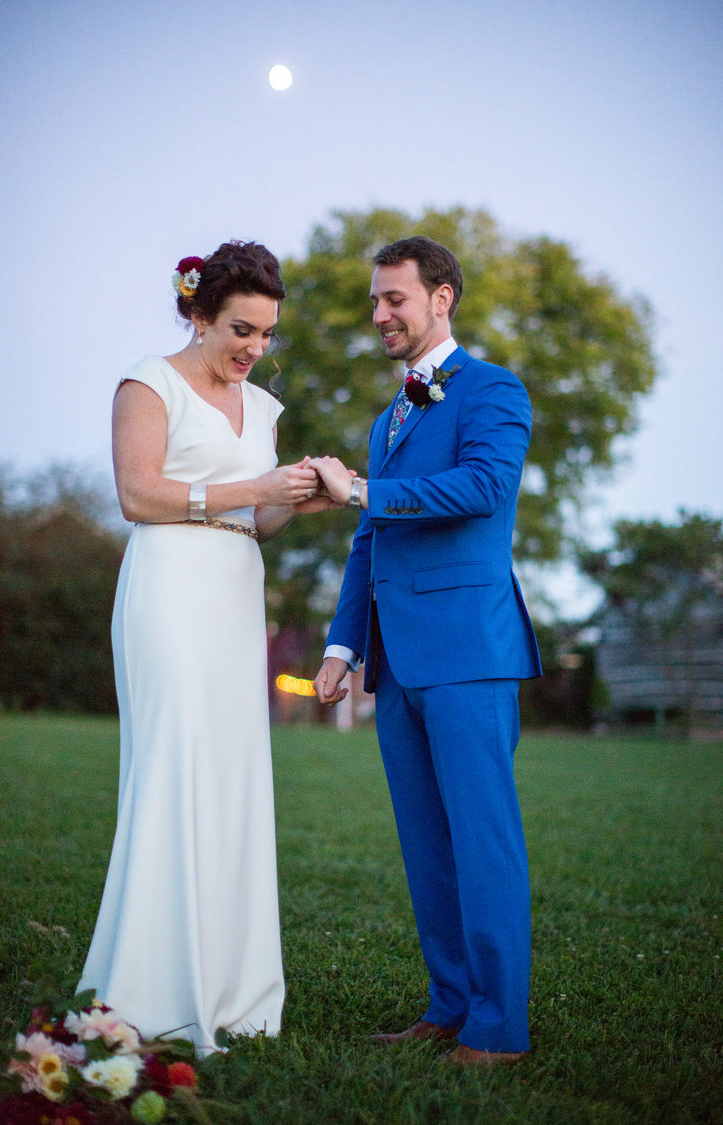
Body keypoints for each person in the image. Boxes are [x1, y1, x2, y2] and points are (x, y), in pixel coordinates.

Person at [79, 240, 333, 1055]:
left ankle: (236, 985)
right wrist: (248, 489)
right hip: (168, 589)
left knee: (233, 774)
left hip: (233, 594)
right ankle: (152, 981)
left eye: (266, 335)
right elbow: (137, 493)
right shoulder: (146, 384)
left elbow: (259, 517)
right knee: (175, 766)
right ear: (197, 312)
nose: (255, 349)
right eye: (241, 329)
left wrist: (294, 495)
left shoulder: (261, 409)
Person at [311, 236, 542, 1066]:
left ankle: (498, 1027)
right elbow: (371, 539)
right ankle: (449, 1004)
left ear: (441, 298)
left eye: (394, 300)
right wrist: (342, 643)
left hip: (470, 653)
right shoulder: (391, 417)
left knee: (483, 840)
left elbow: (483, 487)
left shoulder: (494, 390)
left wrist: (366, 487)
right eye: (375, 302)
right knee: (426, 842)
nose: (379, 315)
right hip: (396, 662)